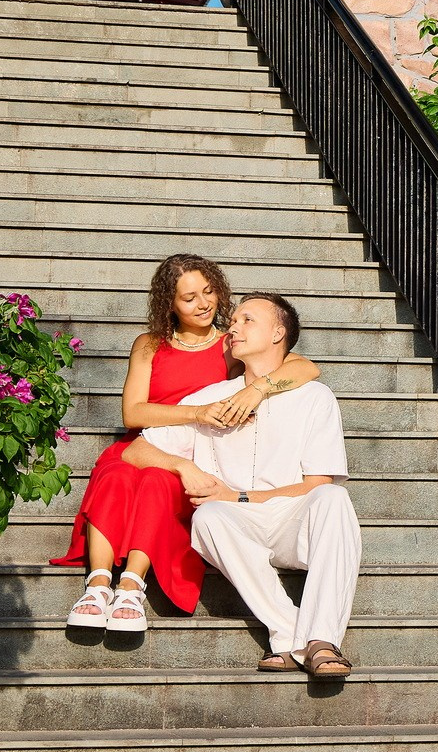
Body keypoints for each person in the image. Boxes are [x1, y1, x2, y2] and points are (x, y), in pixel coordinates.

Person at [57, 254, 321, 633]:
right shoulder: (149, 344)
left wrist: (258, 390)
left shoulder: (232, 344)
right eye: (190, 297)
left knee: (158, 483)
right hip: (145, 443)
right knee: (115, 475)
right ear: (170, 304)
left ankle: (131, 584)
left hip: (198, 451)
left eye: (209, 292)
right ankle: (98, 584)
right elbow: (133, 413)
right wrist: (197, 412)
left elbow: (307, 368)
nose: (204, 303)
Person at [127, 294, 362, 679]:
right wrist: (183, 466)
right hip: (237, 527)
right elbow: (136, 451)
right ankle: (291, 633)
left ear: (278, 333)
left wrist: (238, 495)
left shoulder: (314, 397)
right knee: (209, 517)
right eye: (232, 321)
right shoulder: (209, 400)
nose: (232, 327)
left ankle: (322, 638)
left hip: (293, 520)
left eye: (247, 320)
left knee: (333, 498)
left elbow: (317, 483)